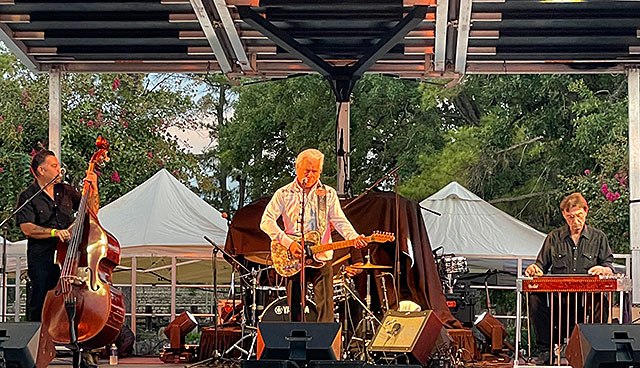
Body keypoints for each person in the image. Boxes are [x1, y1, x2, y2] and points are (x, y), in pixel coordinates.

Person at [260, 148, 366, 323]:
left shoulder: (328, 194)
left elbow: (339, 220)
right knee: (295, 307)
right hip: (293, 256)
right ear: (297, 168)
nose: (310, 175)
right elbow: (266, 221)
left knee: (326, 308)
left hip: (321, 255)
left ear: (320, 171)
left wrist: (353, 237)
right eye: (306, 170)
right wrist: (288, 243)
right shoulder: (284, 193)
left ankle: (324, 346)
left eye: (314, 171)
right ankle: (297, 344)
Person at [524, 192, 614, 365]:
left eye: (579, 216)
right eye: (571, 217)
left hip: (586, 299)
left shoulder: (599, 237)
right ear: (564, 215)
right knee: (535, 298)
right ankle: (545, 351)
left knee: (600, 302)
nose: (575, 221)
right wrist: (535, 269)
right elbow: (541, 266)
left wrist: (603, 269)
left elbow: (609, 265)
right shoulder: (553, 237)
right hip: (559, 300)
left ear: (586, 211)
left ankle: (594, 352)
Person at [15, 150, 98, 322]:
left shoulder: (66, 190)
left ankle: (73, 336)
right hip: (43, 258)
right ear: (41, 170)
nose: (59, 169)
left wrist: (93, 188)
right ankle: (38, 343)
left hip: (69, 256)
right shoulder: (28, 196)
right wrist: (54, 233)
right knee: (41, 300)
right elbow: (27, 228)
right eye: (54, 166)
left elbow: (91, 211)